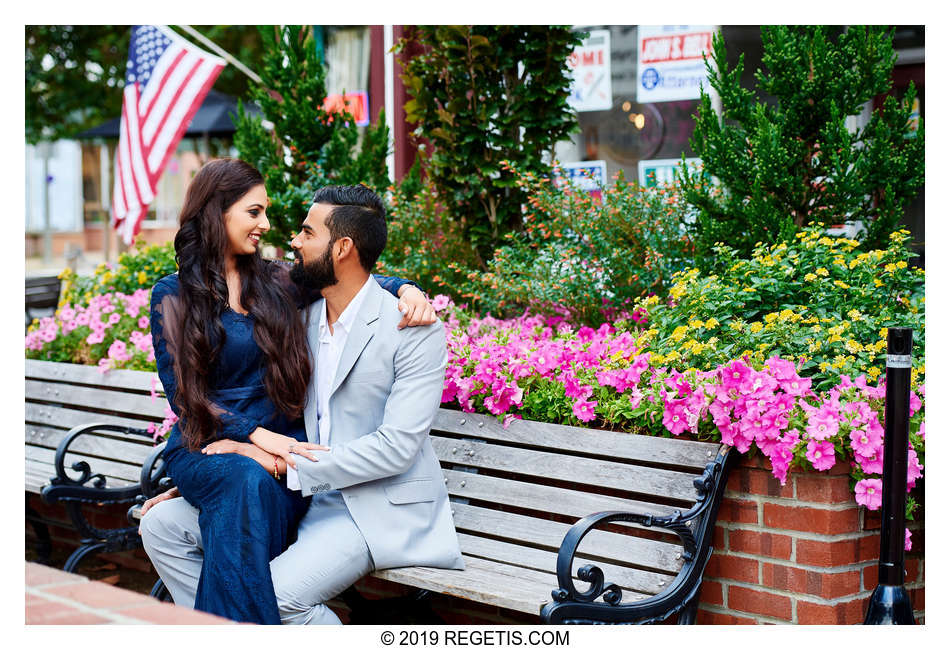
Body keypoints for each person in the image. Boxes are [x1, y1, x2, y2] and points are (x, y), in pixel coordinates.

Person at [140, 183, 464, 624]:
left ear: (342, 247)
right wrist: (215, 485)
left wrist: (276, 465)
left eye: (307, 233)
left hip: (368, 506)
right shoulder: (300, 318)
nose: (289, 238)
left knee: (268, 597)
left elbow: (396, 449)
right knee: (161, 527)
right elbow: (197, 396)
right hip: (300, 492)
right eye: (256, 212)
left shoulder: (412, 330)